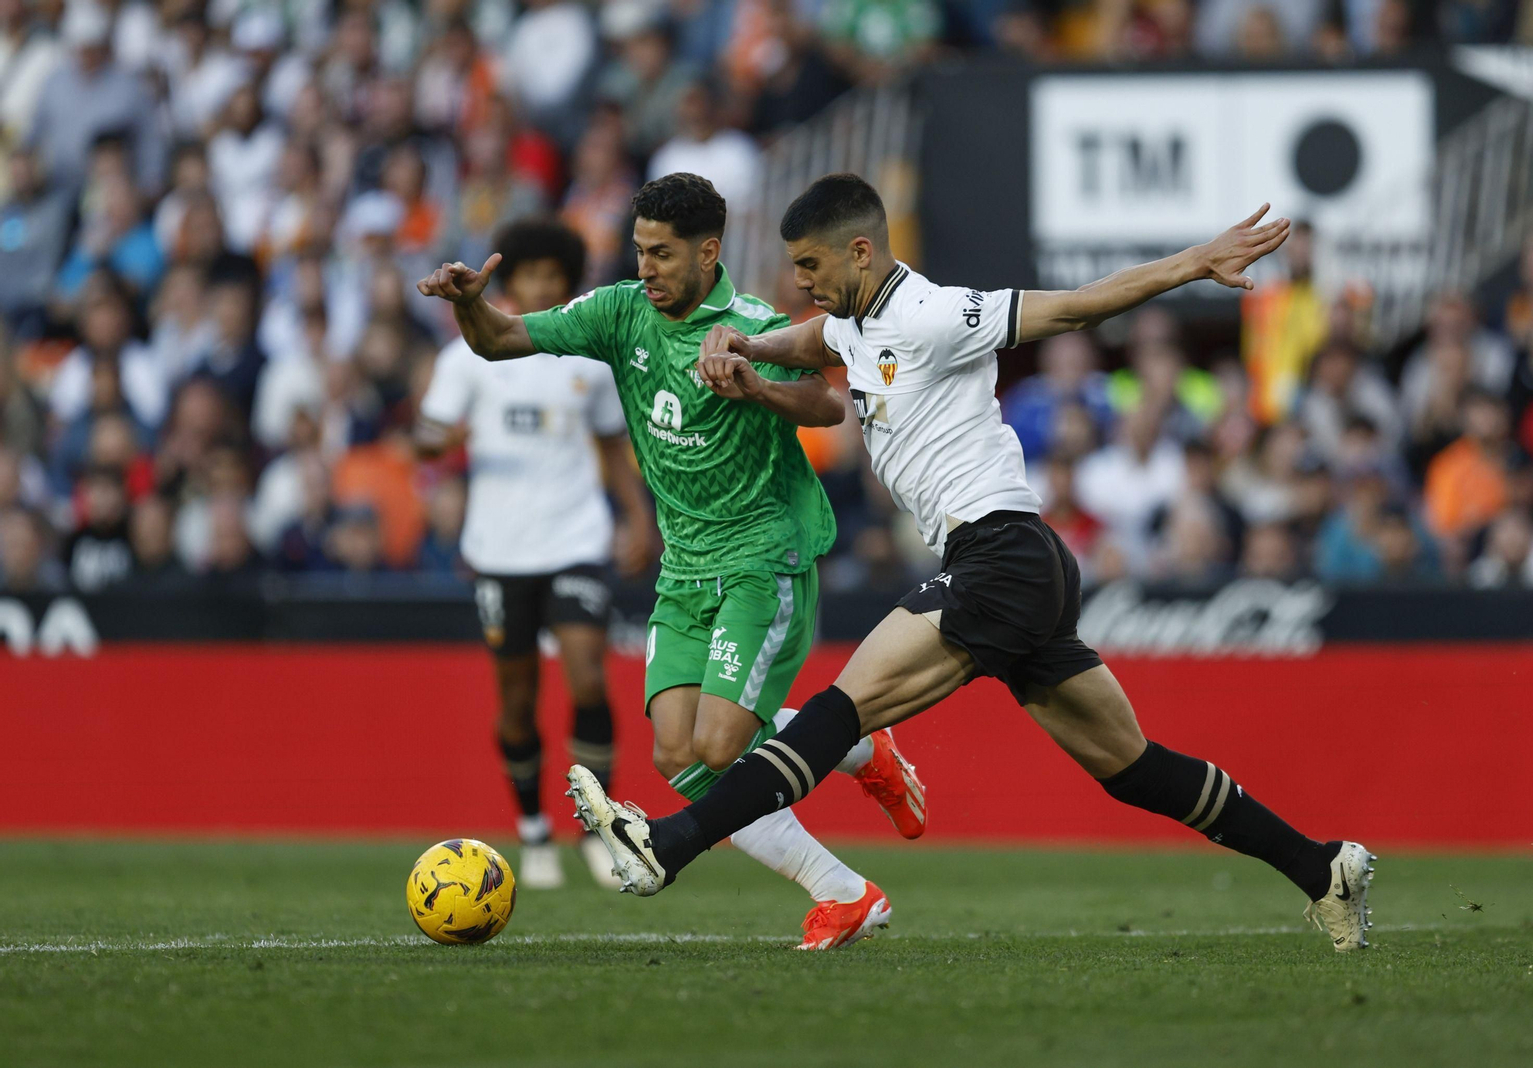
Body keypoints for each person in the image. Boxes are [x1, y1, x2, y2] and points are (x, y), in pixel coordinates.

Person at [571, 173, 1375, 955]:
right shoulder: (849, 320)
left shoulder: (934, 313)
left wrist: (1193, 262)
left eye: (810, 266)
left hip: (999, 554)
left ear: (859, 252)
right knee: (1133, 770)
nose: (799, 281)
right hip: (1019, 562)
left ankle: (668, 843)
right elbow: (817, 340)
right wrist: (747, 342)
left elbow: (1075, 306)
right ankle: (1322, 867)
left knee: (840, 711)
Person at [415, 174, 927, 950]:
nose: (645, 267)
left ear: (708, 251)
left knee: (722, 748)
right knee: (678, 759)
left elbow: (829, 404)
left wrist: (754, 384)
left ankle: (846, 830)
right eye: (639, 251)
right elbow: (499, 341)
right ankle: (849, 837)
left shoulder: (750, 324)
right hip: (683, 572)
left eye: (662, 254)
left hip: (763, 558)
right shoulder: (620, 313)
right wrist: (467, 303)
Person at [416, 219, 655, 890]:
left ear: (568, 281)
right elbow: (427, 435)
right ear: (512, 280)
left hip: (575, 541)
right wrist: (438, 441)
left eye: (555, 275)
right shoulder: (469, 355)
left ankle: (600, 831)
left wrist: (638, 519)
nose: (544, 285)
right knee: (517, 702)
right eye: (532, 275)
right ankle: (531, 830)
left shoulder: (586, 357)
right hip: (498, 550)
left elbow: (612, 447)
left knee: (587, 680)